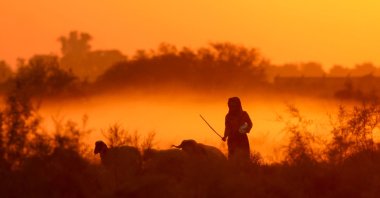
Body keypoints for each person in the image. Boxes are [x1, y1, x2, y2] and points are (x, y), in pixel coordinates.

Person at [222, 97, 252, 161]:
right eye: (231, 106)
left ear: (238, 106)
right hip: (232, 140)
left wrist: (244, 129)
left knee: (245, 158)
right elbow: (227, 128)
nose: (232, 108)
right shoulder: (228, 116)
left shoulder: (244, 114)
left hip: (242, 139)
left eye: (234, 106)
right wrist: (225, 136)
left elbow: (250, 124)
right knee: (232, 158)